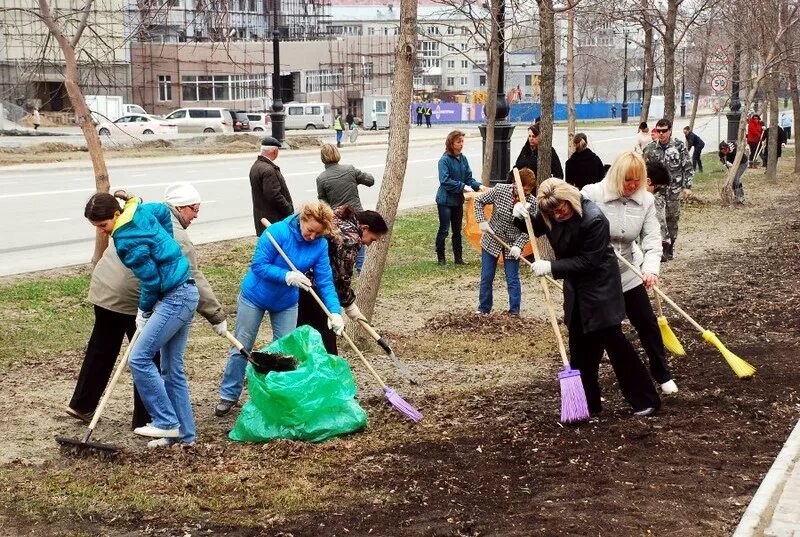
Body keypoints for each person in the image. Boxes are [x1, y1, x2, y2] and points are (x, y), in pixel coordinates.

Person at [68, 183, 227, 433]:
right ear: (181, 207)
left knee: (102, 347)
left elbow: (162, 225)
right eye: (194, 209)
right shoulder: (141, 225)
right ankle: (147, 418)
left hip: (103, 290)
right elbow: (184, 277)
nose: (196, 214)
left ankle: (82, 404)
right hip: (134, 299)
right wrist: (215, 315)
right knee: (147, 357)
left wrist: (165, 243)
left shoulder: (139, 211)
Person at [521, 178, 661, 416]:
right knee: (580, 347)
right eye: (551, 211)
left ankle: (646, 399)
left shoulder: (593, 219)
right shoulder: (552, 214)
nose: (558, 214)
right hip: (576, 290)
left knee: (616, 345)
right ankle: (587, 405)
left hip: (600, 290)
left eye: (561, 208)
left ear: (570, 200)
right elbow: (534, 227)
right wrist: (520, 216)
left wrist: (551, 267)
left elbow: (589, 261)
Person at [83, 191, 200, 447]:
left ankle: (166, 422)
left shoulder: (125, 239)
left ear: (116, 214)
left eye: (103, 225)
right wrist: (166, 244)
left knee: (139, 359)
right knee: (171, 369)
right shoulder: (139, 209)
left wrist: (144, 311)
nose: (102, 232)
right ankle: (185, 436)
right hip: (186, 290)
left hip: (174, 298)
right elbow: (162, 212)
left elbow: (150, 280)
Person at [215, 201, 344, 417]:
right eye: (310, 230)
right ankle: (229, 395)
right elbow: (258, 265)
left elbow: (325, 281)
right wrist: (286, 275)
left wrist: (334, 312)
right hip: (255, 296)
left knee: (285, 352)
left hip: (286, 302)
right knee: (242, 344)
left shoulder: (319, 245)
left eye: (317, 233)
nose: (312, 236)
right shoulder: (277, 233)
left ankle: (278, 397)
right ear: (302, 219)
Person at [581, 152, 678, 394]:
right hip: (599, 277)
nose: (632, 185)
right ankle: (589, 385)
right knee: (602, 333)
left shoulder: (645, 201)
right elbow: (568, 222)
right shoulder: (591, 194)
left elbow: (653, 239)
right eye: (627, 180)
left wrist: (651, 269)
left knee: (647, 322)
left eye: (637, 180)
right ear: (616, 175)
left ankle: (661, 372)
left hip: (629, 271)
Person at [297, 206, 388, 354]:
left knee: (302, 334)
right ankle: (330, 373)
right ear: (364, 228)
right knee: (326, 337)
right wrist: (349, 304)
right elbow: (341, 276)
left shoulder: (339, 219)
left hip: (300, 280)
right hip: (315, 289)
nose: (369, 244)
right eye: (372, 239)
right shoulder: (350, 240)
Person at [473, 168, 536, 315]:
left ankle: (514, 312)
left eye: (530, 190)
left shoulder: (532, 202)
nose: (527, 193)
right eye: (525, 189)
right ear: (515, 184)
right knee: (487, 276)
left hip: (512, 244)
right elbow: (478, 200)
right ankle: (483, 308)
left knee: (512, 278)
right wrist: (482, 221)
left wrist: (519, 246)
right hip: (492, 238)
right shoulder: (500, 190)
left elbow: (529, 229)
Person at [316, 143, 375, 271]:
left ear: (322, 158)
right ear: (337, 154)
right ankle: (361, 269)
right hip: (356, 214)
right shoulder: (350, 170)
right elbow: (370, 181)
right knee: (359, 243)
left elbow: (323, 202)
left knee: (341, 245)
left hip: (338, 219)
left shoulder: (321, 178)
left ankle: (343, 268)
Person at [643, 118, 693, 261]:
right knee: (658, 219)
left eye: (664, 131)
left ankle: (670, 247)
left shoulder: (679, 146)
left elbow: (688, 167)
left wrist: (688, 187)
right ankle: (662, 248)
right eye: (659, 131)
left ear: (670, 131)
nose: (661, 134)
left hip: (674, 190)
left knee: (672, 219)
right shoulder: (650, 148)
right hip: (657, 191)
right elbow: (642, 168)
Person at [436, 129, 485, 266]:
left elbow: (469, 178)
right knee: (444, 229)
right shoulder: (444, 160)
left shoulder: (463, 159)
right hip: (445, 201)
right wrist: (462, 186)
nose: (461, 144)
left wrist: (478, 186)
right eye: (458, 142)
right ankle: (441, 258)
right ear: (451, 143)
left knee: (457, 230)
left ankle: (458, 258)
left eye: (462, 141)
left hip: (457, 201)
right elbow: (445, 181)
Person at [250, 136, 293, 237]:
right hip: (273, 220)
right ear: (274, 151)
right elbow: (274, 195)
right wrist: (288, 209)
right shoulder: (269, 170)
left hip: (262, 217)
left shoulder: (256, 166)